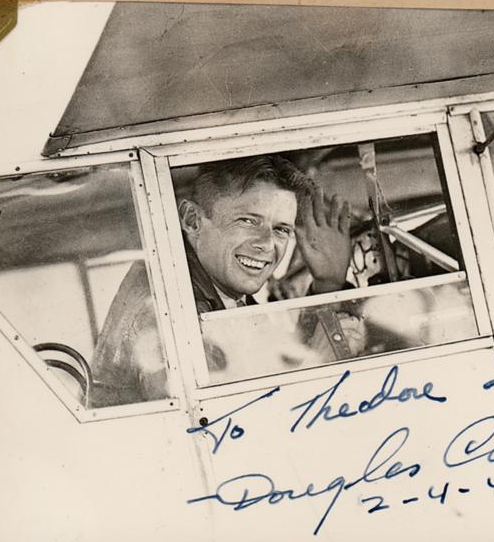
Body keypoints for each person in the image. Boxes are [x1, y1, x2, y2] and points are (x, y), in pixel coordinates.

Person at [90, 155, 361, 407]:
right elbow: (221, 421)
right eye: (248, 221)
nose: (267, 244)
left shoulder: (222, 291)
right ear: (193, 220)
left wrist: (329, 282)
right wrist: (316, 363)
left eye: (280, 229)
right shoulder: (169, 303)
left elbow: (272, 363)